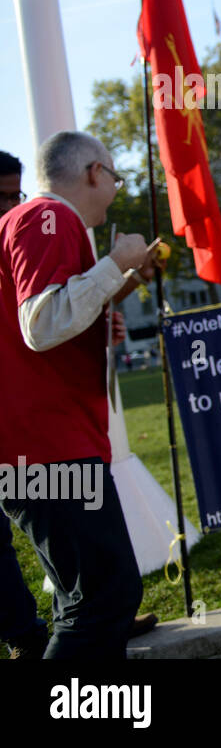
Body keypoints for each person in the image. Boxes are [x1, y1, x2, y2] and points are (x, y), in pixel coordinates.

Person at [0, 132, 156, 658]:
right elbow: (40, 324)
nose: (114, 189)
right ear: (94, 172)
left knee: (90, 600)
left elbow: (39, 329)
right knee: (103, 600)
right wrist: (117, 262)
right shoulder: (48, 217)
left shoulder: (28, 221)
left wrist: (97, 316)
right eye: (115, 176)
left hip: (36, 447)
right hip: (46, 446)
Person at [0, 150, 48, 659]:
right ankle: (28, 638)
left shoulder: (18, 245)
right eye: (1, 197)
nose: (12, 207)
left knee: (51, 519)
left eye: (17, 195)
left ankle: (77, 619)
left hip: (23, 425)